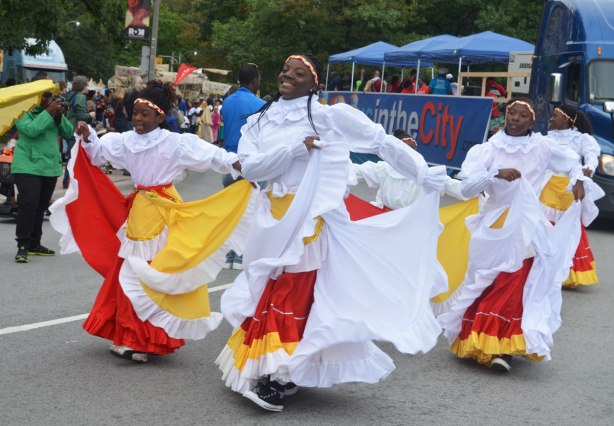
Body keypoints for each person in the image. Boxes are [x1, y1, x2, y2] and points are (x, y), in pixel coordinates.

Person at [215, 54, 447, 412]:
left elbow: (382, 143)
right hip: (272, 217)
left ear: (314, 84)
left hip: (310, 220)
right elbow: (250, 168)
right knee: (268, 288)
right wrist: (296, 147)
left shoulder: (328, 117)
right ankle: (281, 368)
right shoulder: (260, 121)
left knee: (291, 293)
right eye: (284, 70)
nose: (287, 76)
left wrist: (425, 175)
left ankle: (271, 373)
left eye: (298, 73)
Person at [50, 81, 252, 362]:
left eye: (145, 114)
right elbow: (99, 155)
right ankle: (137, 336)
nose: (138, 119)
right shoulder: (125, 140)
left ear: (160, 117)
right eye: (135, 113)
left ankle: (141, 339)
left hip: (163, 209)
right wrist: (87, 137)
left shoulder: (175, 143)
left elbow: (214, 156)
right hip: (142, 208)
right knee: (136, 271)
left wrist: (246, 166)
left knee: (145, 273)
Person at [438, 99, 595, 374]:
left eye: (523, 115)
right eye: (512, 113)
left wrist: (578, 180)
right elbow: (467, 188)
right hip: (495, 224)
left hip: (527, 225)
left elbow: (572, 163)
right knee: (488, 280)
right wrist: (495, 173)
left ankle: (502, 347)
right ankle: (481, 338)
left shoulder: (542, 147)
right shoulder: (488, 149)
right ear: (505, 115)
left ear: (532, 122)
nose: (516, 119)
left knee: (515, 282)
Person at [543, 105, 602, 288]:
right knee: (544, 226)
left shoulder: (581, 139)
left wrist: (584, 174)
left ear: (566, 119)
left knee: (567, 228)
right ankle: (543, 268)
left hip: (569, 187)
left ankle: (567, 274)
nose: (551, 119)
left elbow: (592, 158)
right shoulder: (545, 138)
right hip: (547, 186)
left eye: (554, 116)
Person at [13, 92, 74, 263]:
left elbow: (69, 133)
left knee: (40, 206)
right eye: (47, 97)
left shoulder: (53, 114)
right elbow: (31, 131)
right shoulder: (23, 112)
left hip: (49, 167)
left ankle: (34, 243)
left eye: (53, 97)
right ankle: (23, 245)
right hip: (27, 165)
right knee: (28, 204)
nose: (52, 100)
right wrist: (48, 112)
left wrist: (59, 117)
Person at [219, 63, 266, 269]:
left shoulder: (227, 102)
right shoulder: (261, 104)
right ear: (254, 81)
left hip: (228, 163)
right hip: (250, 164)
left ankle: (229, 255)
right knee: (250, 213)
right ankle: (239, 256)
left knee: (232, 213)